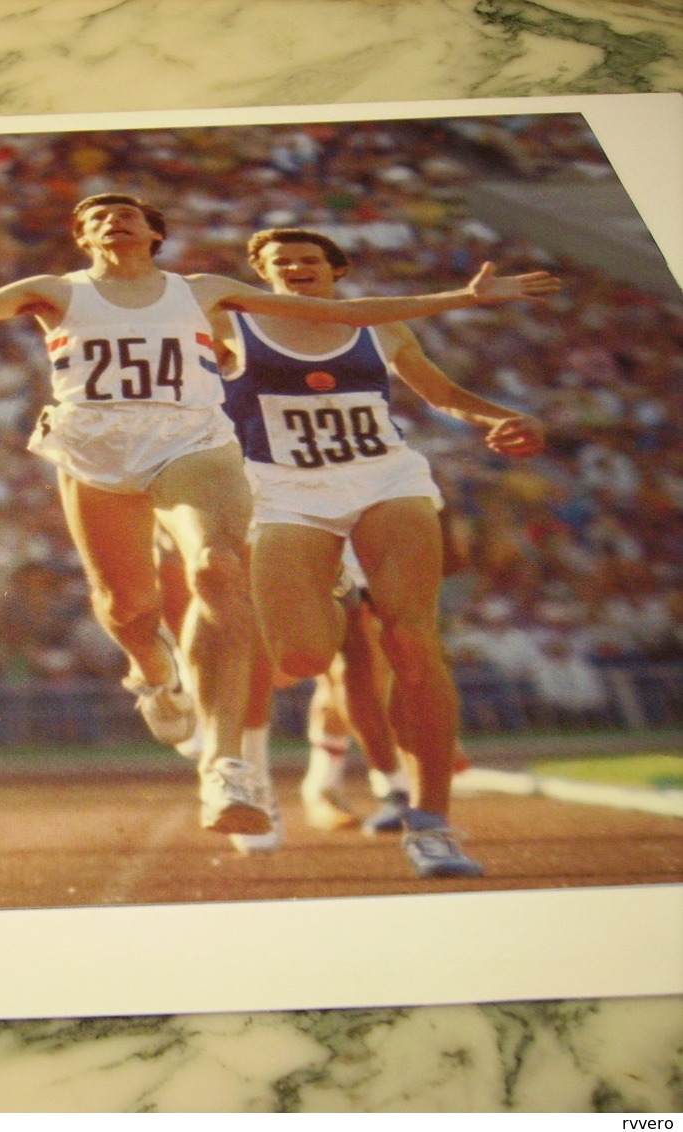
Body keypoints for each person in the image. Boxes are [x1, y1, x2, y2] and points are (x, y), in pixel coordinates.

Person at [0, 196, 559, 840]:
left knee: (217, 569)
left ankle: (228, 768)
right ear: (83, 240)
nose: (109, 223)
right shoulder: (54, 292)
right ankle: (153, 676)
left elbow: (342, 317)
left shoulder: (205, 290)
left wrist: (461, 298)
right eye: (95, 217)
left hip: (194, 444)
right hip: (93, 452)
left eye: (124, 214)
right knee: (125, 608)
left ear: (152, 234)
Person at [213, 227, 549, 877]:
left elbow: (443, 395)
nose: (295, 269)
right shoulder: (233, 323)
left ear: (335, 269)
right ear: (261, 275)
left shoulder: (382, 327)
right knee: (305, 655)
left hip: (385, 481)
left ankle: (431, 824)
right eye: (280, 263)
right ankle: (338, 582)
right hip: (285, 494)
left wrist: (502, 417)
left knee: (413, 642)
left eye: (308, 260)